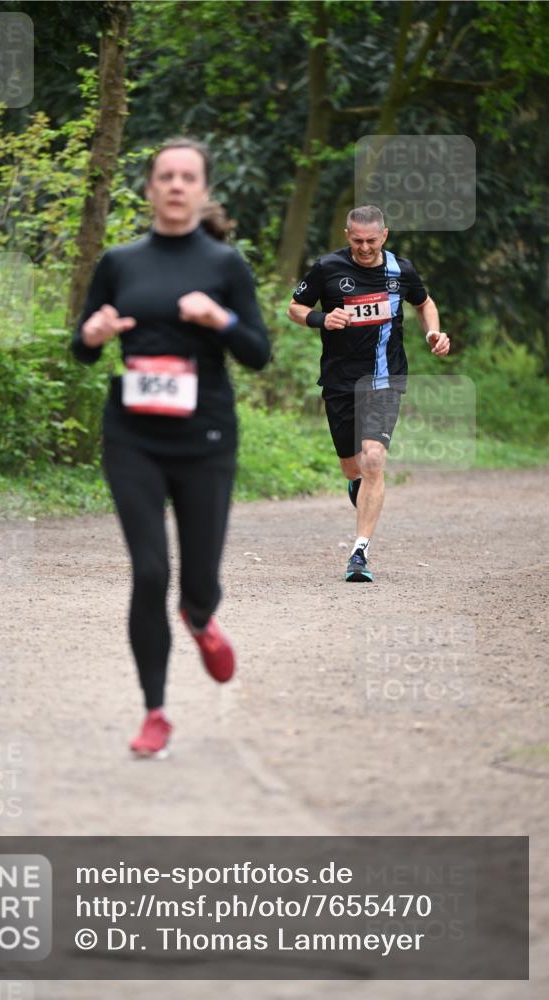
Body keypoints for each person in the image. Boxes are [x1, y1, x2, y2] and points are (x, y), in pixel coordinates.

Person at [72, 138, 270, 758]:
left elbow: (259, 353)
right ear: (151, 188)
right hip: (132, 433)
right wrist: (93, 332)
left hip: (206, 436)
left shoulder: (225, 266)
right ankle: (155, 712)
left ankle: (202, 617)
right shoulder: (120, 261)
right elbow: (79, 346)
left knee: (198, 581)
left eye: (188, 176)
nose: (177, 185)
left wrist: (222, 321)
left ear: (203, 190)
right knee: (149, 570)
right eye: (166, 176)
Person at [287, 205, 450, 583]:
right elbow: (295, 308)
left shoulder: (400, 271)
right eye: (357, 240)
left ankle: (359, 551)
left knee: (373, 459)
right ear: (348, 235)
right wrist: (321, 318)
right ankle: (359, 487)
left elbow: (424, 303)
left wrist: (432, 333)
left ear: (384, 236)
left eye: (371, 241)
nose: (364, 248)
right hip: (340, 381)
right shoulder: (328, 268)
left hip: (385, 379)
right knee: (353, 466)